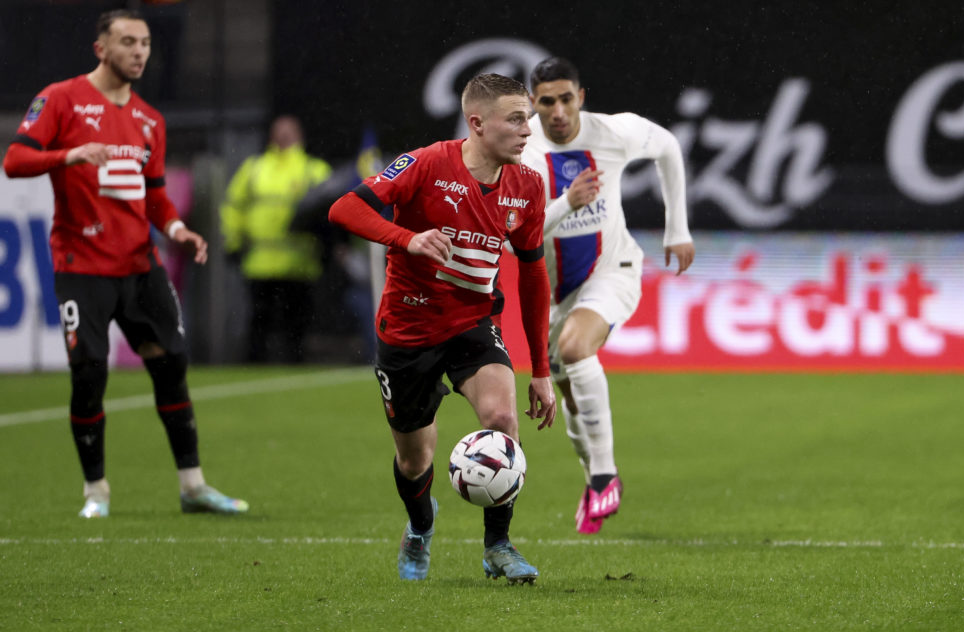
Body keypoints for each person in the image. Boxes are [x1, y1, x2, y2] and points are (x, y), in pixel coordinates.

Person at [2, 9, 248, 518]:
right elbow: (16, 160)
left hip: (140, 267)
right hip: (81, 267)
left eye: (146, 43)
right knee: (89, 374)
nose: (139, 51)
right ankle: (96, 492)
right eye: (128, 42)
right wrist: (68, 155)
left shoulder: (149, 121)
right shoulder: (61, 99)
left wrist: (178, 230)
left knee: (171, 365)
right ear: (101, 49)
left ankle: (193, 486)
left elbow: (155, 195)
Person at [328, 73, 556, 583]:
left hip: (473, 325)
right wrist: (405, 238)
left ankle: (498, 546)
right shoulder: (428, 163)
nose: (527, 131)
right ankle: (420, 527)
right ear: (476, 123)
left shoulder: (527, 185)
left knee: (502, 419)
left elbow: (534, 273)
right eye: (516, 119)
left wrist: (540, 368)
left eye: (529, 120)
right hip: (407, 334)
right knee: (414, 462)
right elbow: (343, 208)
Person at [522, 57, 695, 534]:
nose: (558, 111)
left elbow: (668, 147)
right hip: (555, 292)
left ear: (582, 96)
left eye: (566, 98)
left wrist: (677, 228)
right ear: (532, 104)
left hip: (612, 269)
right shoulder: (522, 153)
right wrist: (565, 203)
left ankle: (604, 474)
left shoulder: (614, 132)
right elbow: (523, 235)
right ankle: (593, 479)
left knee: (577, 348)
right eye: (546, 102)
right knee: (572, 401)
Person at [220, 115, 331, 363]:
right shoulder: (254, 168)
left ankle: (295, 363)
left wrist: (327, 242)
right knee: (259, 320)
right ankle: (255, 365)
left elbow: (333, 208)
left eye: (288, 132)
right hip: (261, 262)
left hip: (299, 263)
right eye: (279, 132)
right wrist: (233, 242)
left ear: (300, 136)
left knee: (297, 322)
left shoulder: (314, 170)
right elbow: (233, 207)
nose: (283, 137)